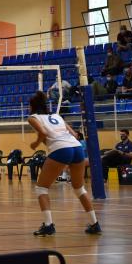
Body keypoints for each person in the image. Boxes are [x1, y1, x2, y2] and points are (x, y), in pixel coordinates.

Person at [27, 91, 101, 236]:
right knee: (79, 189)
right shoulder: (56, 116)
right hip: (76, 148)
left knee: (41, 189)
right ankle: (94, 224)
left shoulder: (32, 118)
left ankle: (48, 226)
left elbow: (42, 133)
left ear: (32, 106)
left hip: (60, 149)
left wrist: (35, 144)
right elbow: (75, 135)